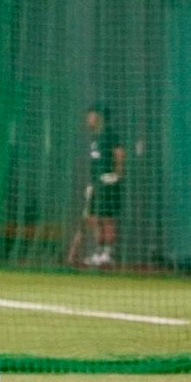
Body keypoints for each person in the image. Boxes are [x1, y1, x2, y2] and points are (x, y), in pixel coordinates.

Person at [80, 106, 126, 267]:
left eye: (91, 116)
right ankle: (98, 252)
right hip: (96, 184)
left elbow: (120, 153)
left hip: (108, 182)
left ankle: (107, 254)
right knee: (93, 218)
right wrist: (91, 184)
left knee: (107, 219)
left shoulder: (109, 134)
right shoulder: (95, 137)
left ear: (99, 117)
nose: (88, 119)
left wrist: (117, 175)